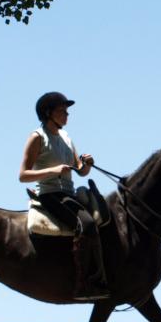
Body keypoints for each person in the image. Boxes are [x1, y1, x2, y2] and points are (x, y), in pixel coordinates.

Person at [19, 92, 110, 301]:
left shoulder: (66, 137)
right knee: (86, 224)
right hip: (49, 194)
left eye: (67, 111)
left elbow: (79, 170)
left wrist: (86, 164)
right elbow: (23, 175)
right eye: (62, 111)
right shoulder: (37, 137)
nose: (67, 115)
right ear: (48, 113)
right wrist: (53, 170)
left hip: (68, 193)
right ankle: (85, 284)